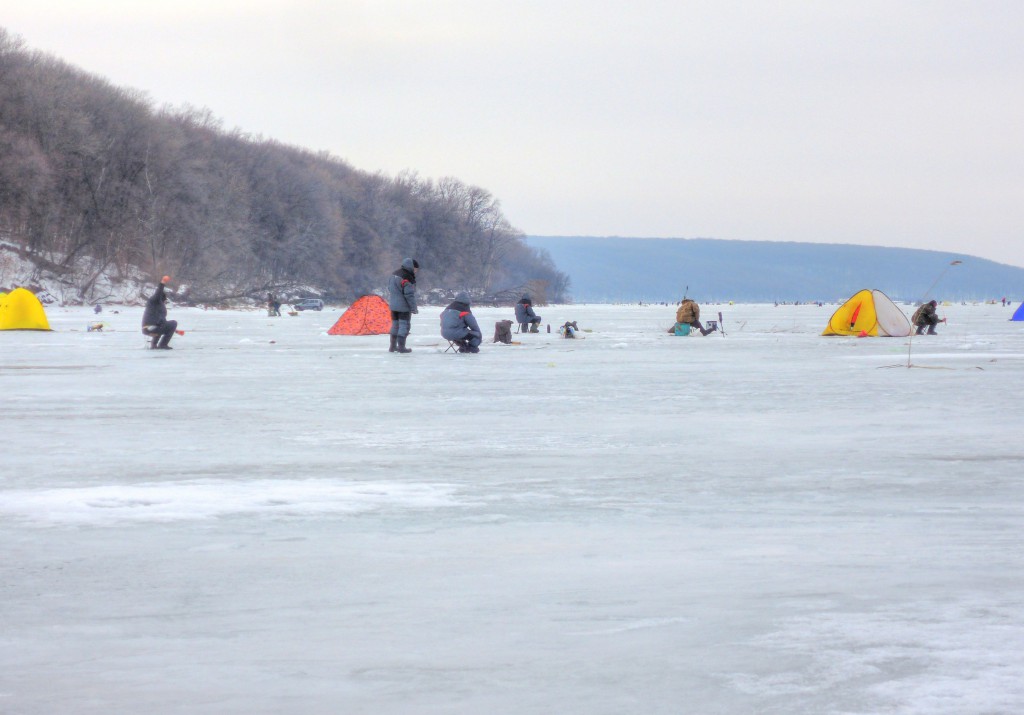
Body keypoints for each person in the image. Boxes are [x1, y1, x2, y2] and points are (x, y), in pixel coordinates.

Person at [387, 258, 419, 353]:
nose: (416, 271)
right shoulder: (407, 277)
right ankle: (401, 347)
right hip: (403, 307)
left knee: (395, 326)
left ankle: (392, 346)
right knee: (404, 326)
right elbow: (409, 295)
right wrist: (413, 308)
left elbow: (389, 288)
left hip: (393, 306)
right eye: (416, 269)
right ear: (412, 267)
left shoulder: (394, 274)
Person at [142, 276, 177, 349]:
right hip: (150, 328)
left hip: (151, 327)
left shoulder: (159, 306)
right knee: (173, 323)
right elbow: (158, 292)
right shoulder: (155, 300)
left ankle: (154, 345)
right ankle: (163, 344)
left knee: (162, 325)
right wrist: (163, 282)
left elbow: (162, 321)